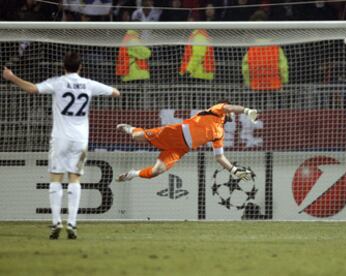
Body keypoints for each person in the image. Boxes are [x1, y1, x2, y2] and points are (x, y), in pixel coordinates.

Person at [2, 52, 120, 239]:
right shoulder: (89, 84)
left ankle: (56, 221)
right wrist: (105, 90)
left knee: (56, 178)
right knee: (74, 179)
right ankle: (72, 223)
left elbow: (33, 89)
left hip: (60, 138)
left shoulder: (58, 82)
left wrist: (11, 77)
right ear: (80, 67)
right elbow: (116, 92)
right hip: (80, 139)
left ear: (63, 66)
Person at [116, 101, 258, 181]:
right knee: (137, 137)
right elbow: (230, 107)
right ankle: (131, 129)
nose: (232, 112)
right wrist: (246, 110)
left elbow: (219, 156)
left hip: (181, 148)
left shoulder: (219, 133)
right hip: (176, 133)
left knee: (156, 172)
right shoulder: (216, 110)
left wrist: (233, 170)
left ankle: (133, 174)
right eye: (232, 111)